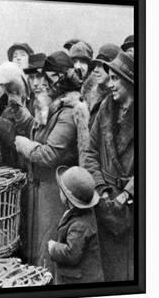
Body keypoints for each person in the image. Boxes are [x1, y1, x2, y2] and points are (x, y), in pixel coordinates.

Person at [12, 51, 90, 268]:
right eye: (47, 76)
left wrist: (25, 146)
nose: (47, 81)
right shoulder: (54, 106)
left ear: (64, 77)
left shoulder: (69, 111)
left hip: (54, 193)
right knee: (37, 251)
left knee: (47, 254)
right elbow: (39, 132)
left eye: (53, 76)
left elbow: (49, 154)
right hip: (41, 190)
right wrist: (19, 109)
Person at [84, 51, 135, 282]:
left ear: (130, 82)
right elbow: (90, 152)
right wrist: (102, 189)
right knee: (111, 272)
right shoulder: (106, 107)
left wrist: (126, 194)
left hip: (134, 207)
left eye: (116, 79)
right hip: (105, 204)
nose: (110, 84)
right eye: (110, 78)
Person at [48, 166, 104, 285]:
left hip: (80, 281)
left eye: (61, 190)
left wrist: (53, 248)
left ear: (67, 198)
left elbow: (71, 254)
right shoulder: (81, 213)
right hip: (76, 275)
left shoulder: (80, 225)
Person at [82, 44, 121, 128]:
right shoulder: (89, 95)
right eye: (96, 65)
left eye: (100, 65)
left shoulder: (117, 100)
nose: (95, 70)